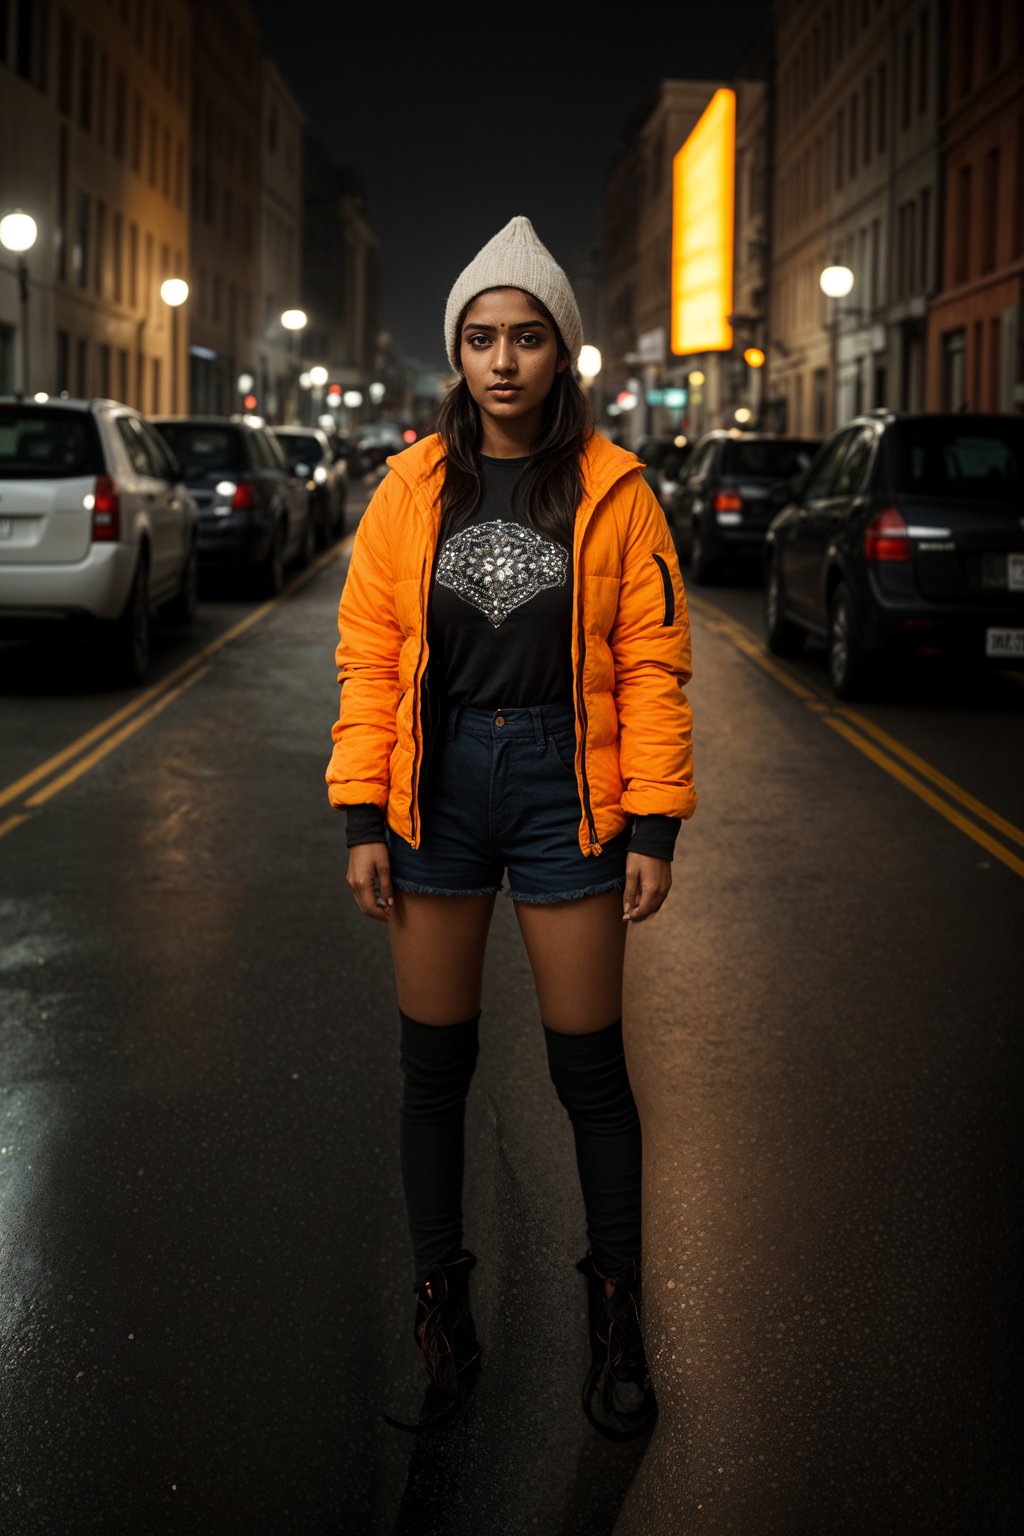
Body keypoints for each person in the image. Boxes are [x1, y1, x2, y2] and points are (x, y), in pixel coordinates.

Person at [326, 215, 696, 1437]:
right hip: (434, 788)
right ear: (457, 355)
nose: (500, 361)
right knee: (434, 1071)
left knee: (588, 1072)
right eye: (479, 338)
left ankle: (617, 1320)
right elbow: (371, 654)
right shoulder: (409, 490)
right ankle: (444, 1321)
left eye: (525, 338)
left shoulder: (615, 490)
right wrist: (360, 813)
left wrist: (653, 825)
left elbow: (651, 663)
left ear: (561, 356)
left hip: (563, 787)